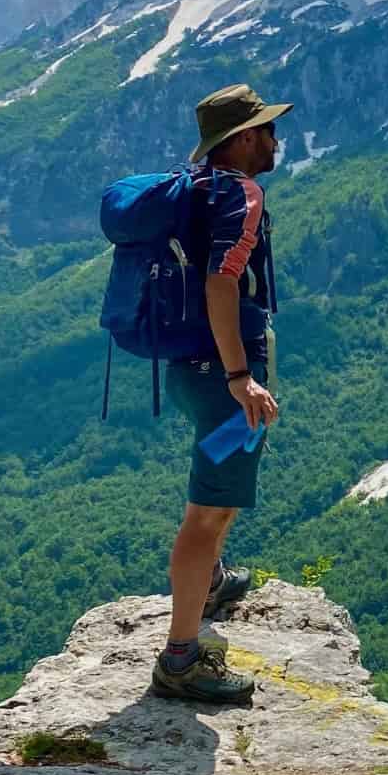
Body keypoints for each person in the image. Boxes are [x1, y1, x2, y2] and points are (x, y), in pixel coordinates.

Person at [149, 83, 291, 704]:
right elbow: (220, 284)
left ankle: (208, 581)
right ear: (244, 139)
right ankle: (181, 660)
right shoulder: (243, 194)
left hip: (191, 369)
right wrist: (240, 377)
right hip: (221, 379)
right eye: (268, 130)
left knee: (218, 501)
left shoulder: (198, 187)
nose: (276, 140)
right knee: (207, 512)